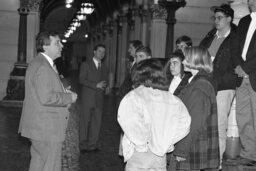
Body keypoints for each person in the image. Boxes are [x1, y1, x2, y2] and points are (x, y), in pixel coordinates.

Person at [18, 30, 77, 171]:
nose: (61, 46)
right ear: (45, 46)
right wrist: (70, 97)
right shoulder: (44, 67)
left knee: (38, 163)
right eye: (57, 43)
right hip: (47, 129)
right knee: (51, 166)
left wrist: (62, 91)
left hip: (39, 127)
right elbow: (46, 97)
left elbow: (42, 92)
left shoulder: (39, 62)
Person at [118, 58, 191, 171]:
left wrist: (141, 144)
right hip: (160, 155)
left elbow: (126, 119)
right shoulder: (172, 99)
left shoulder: (135, 95)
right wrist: (166, 142)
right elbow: (185, 123)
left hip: (139, 155)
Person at [199, 4, 242, 165]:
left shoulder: (236, 37)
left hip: (224, 86)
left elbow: (237, 62)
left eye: (219, 18)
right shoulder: (211, 35)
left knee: (219, 124)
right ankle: (204, 157)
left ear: (229, 19)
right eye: (214, 18)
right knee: (203, 123)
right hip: (205, 83)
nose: (216, 21)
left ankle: (216, 162)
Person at [169, 47, 219, 171]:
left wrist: (181, 151)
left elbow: (194, 122)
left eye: (186, 59)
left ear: (195, 61)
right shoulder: (197, 82)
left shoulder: (199, 87)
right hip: (194, 145)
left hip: (193, 148)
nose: (183, 62)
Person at [231, 0, 256, 165]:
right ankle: (249, 154)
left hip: (253, 74)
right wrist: (238, 66)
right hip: (242, 77)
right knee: (243, 116)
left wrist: (246, 68)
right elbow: (235, 46)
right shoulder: (245, 20)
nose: (250, 1)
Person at [79, 44, 109, 153]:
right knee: (84, 122)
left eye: (103, 52)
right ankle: (82, 145)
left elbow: (105, 80)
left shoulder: (104, 66)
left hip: (99, 99)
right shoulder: (86, 64)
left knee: (96, 122)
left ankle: (92, 145)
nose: (101, 54)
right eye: (100, 51)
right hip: (88, 98)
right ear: (94, 52)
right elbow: (81, 80)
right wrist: (95, 85)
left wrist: (107, 86)